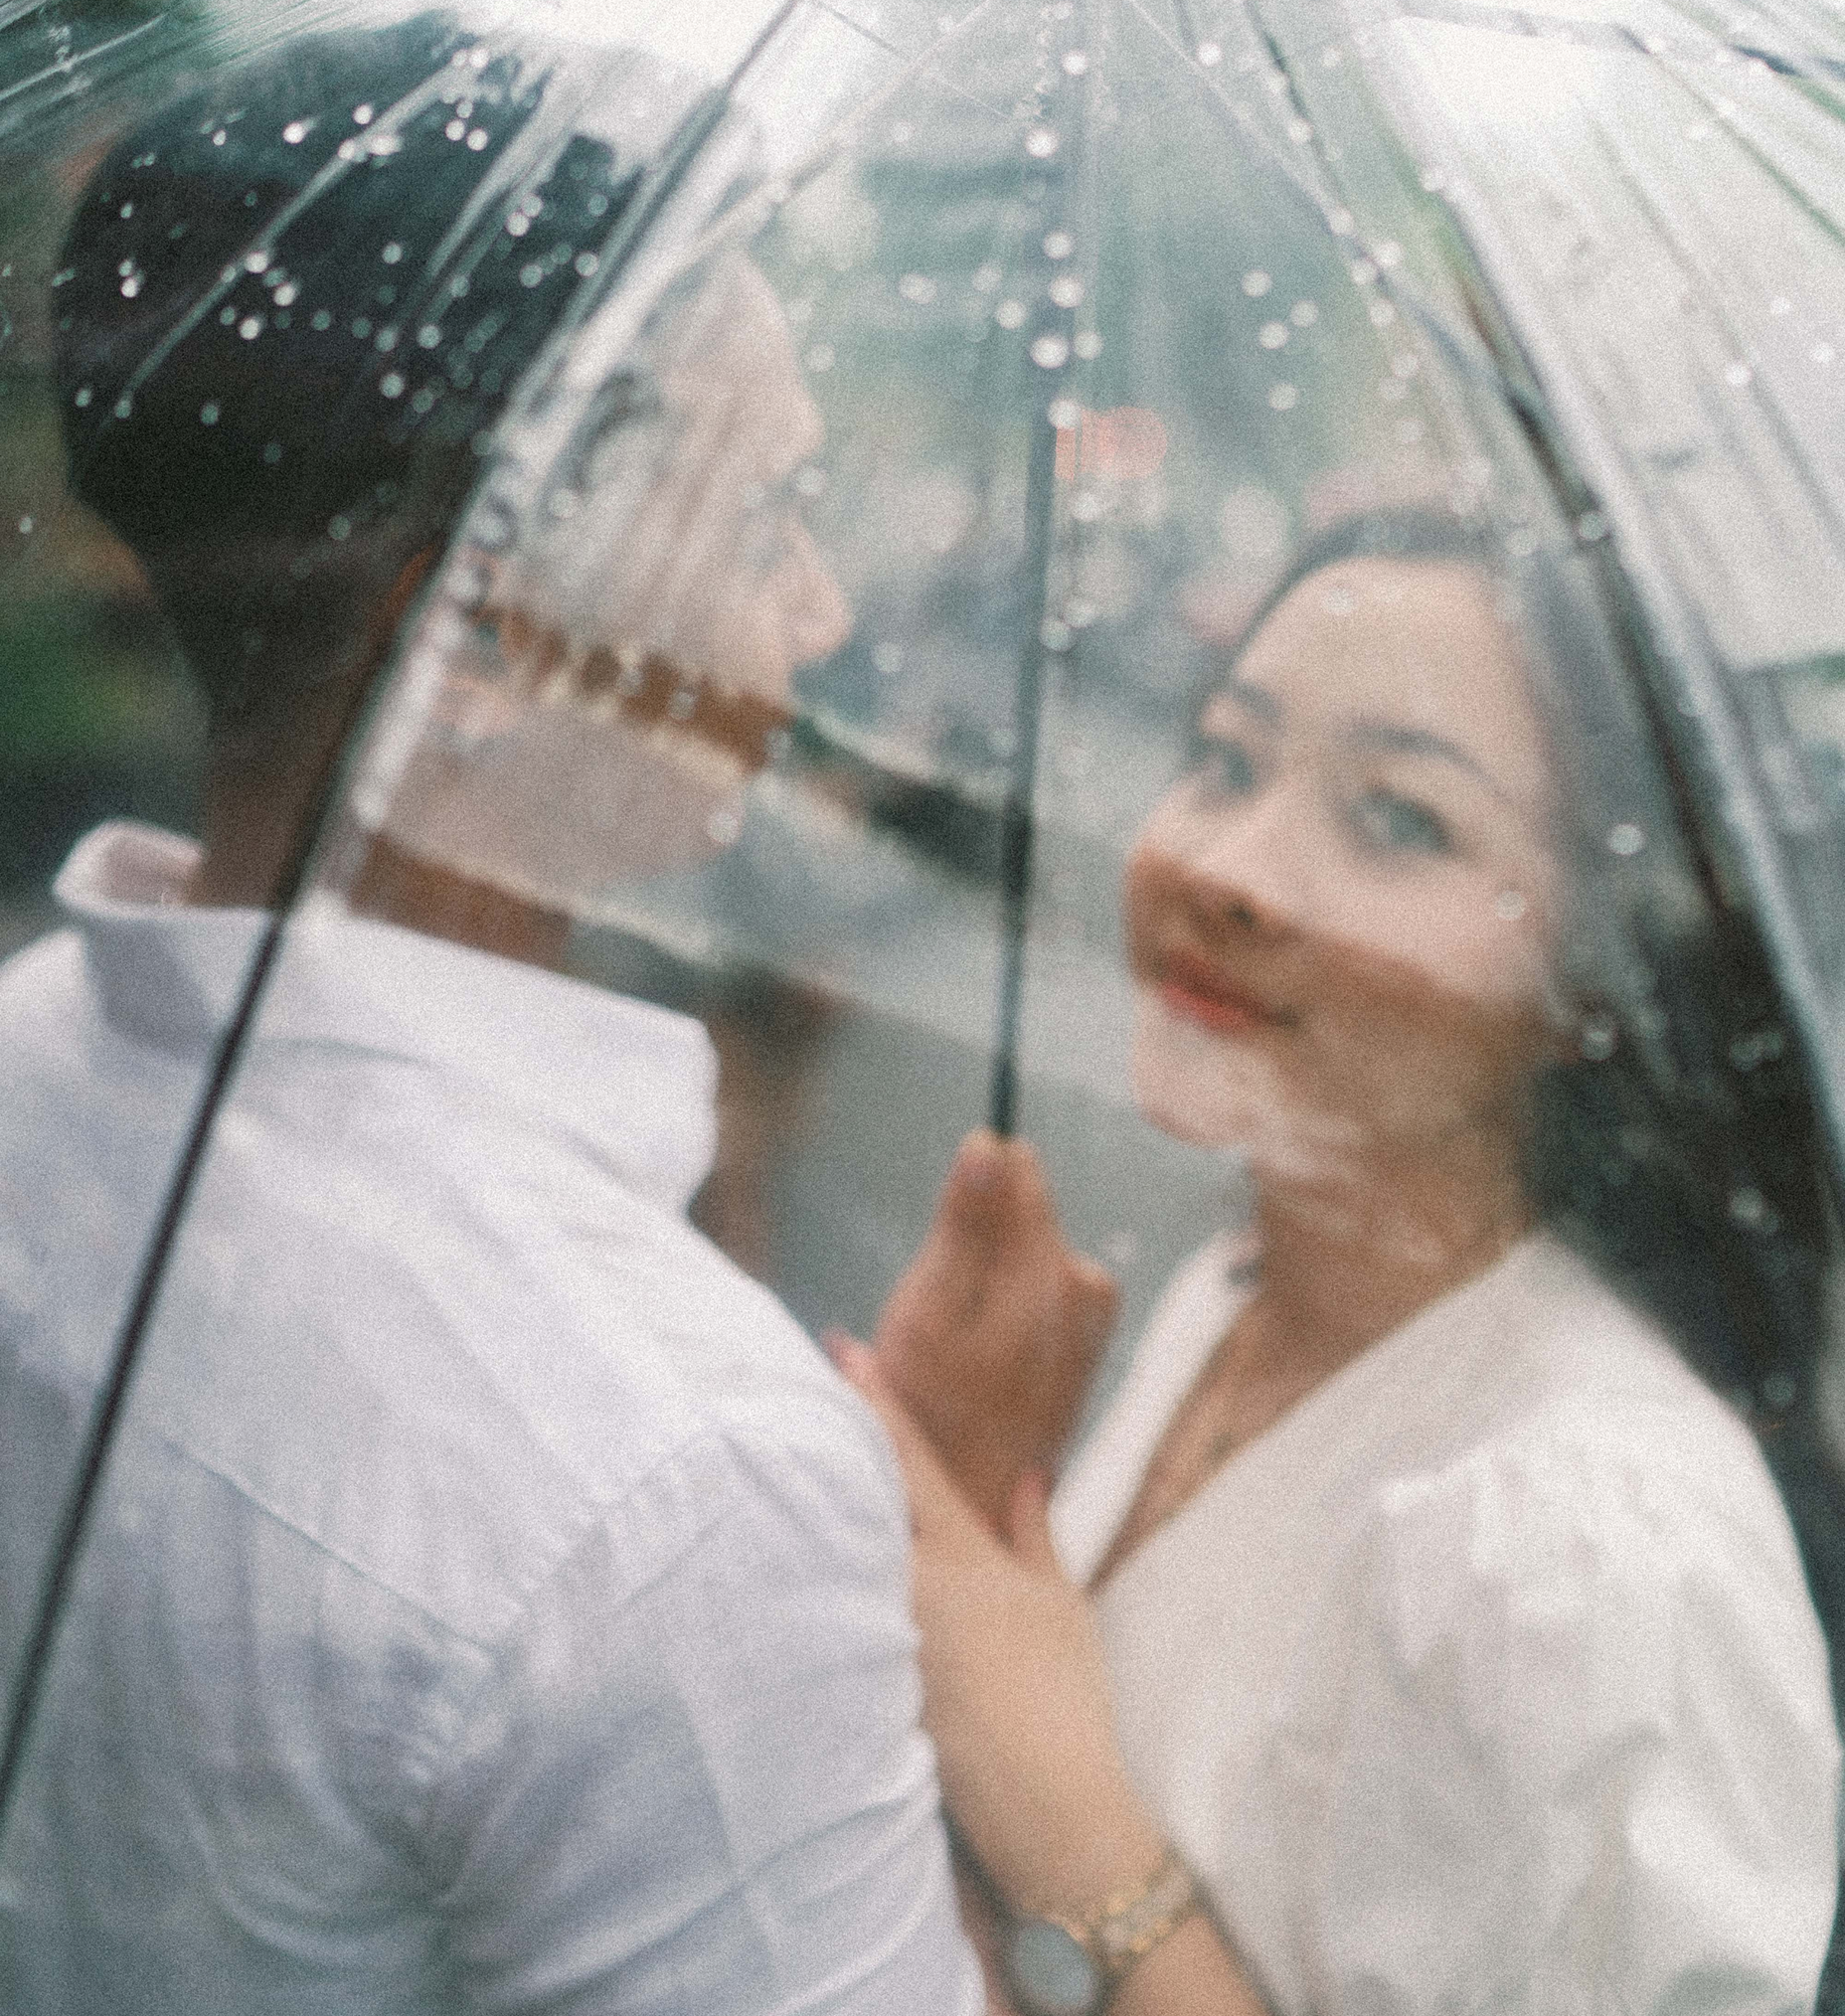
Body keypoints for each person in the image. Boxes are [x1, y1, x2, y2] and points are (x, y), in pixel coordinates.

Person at [0, 19, 980, 2013]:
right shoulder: (684, 1474)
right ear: (477, 641)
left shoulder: (21, 1060)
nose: (817, 621)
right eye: (766, 516)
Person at [840, 510, 1843, 2014]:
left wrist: (1079, 1842)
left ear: (1594, 978)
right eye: (1230, 761)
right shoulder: (1237, 1292)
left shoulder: (1592, 1563)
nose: (1230, 871)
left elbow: (1059, 1811)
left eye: (1399, 820)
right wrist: (974, 1492)